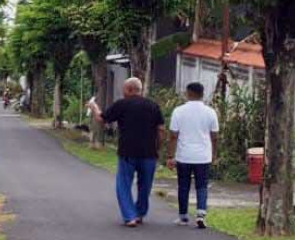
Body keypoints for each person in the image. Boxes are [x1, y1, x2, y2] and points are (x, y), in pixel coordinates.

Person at [86, 78, 165, 227]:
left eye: (124, 89)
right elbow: (161, 130)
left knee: (123, 184)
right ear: (140, 90)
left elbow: (101, 119)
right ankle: (140, 212)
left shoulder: (122, 104)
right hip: (149, 153)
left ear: (128, 90)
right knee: (145, 185)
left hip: (127, 152)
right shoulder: (153, 106)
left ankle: (130, 216)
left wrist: (94, 106)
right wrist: (158, 148)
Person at [168, 81, 222, 228]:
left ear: (188, 93)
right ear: (202, 94)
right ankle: (201, 215)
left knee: (183, 185)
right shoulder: (210, 112)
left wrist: (170, 156)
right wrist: (214, 154)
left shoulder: (178, 111)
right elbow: (215, 136)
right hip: (203, 156)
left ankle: (184, 216)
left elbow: (173, 136)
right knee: (202, 185)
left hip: (184, 155)